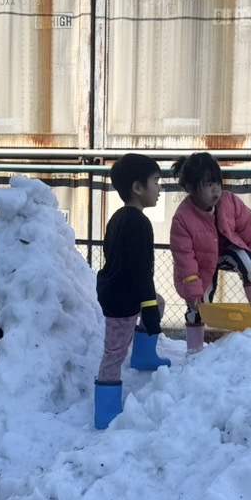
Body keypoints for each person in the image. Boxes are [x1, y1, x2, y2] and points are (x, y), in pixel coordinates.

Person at [94, 153, 170, 429]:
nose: (159, 188)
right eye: (156, 181)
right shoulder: (138, 222)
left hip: (122, 290)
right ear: (138, 187)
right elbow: (140, 269)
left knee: (159, 302)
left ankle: (143, 356)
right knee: (114, 352)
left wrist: (150, 303)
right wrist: (146, 306)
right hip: (121, 298)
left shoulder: (119, 217)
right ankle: (105, 410)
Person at [169, 151, 251, 352]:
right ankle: (194, 350)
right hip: (199, 265)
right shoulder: (182, 218)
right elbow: (185, 258)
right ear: (191, 188)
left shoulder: (229, 201)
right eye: (209, 185)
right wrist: (192, 291)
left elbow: (248, 226)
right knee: (199, 304)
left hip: (226, 252)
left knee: (247, 261)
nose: (216, 190)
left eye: (218, 183)